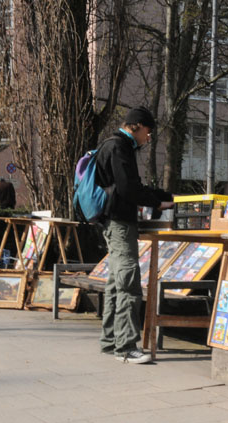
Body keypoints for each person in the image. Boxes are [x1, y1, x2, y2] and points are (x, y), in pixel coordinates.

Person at [94, 106, 174, 364]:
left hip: (113, 221)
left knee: (116, 283)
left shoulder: (113, 145)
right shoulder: (119, 147)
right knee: (129, 282)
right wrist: (156, 203)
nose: (148, 138)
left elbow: (129, 185)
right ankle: (126, 347)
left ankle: (109, 341)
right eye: (148, 132)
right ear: (137, 126)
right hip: (119, 222)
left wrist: (159, 195)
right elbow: (128, 189)